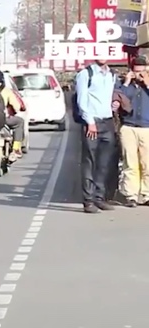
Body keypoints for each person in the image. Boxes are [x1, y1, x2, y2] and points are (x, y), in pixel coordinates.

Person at [76, 58, 117, 213]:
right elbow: (81, 100)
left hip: (107, 121)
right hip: (92, 122)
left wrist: (115, 104)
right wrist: (89, 121)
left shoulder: (111, 74)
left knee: (104, 162)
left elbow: (110, 96)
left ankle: (100, 198)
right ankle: (88, 201)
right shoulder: (86, 74)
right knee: (89, 161)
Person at [117, 56, 149, 207]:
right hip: (129, 126)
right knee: (130, 162)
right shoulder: (127, 85)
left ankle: (146, 194)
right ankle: (131, 195)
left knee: (147, 163)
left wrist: (146, 82)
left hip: (147, 127)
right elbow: (121, 98)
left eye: (142, 71)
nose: (139, 75)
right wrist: (128, 82)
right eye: (137, 71)